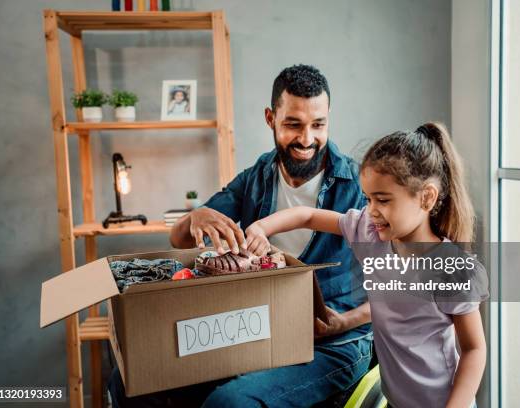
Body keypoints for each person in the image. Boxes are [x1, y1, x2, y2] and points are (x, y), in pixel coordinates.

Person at [108, 64, 373, 407]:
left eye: (318, 125)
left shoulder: (359, 187)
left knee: (230, 403)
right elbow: (178, 239)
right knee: (133, 378)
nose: (307, 139)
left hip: (333, 345)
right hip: (259, 332)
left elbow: (402, 286)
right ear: (270, 118)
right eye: (293, 124)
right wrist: (196, 217)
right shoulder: (257, 178)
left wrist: (341, 323)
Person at [246, 122, 488, 408]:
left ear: (427, 197)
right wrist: (260, 227)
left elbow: (474, 350)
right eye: (369, 198)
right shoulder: (370, 233)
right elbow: (308, 216)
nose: (372, 210)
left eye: (383, 200)